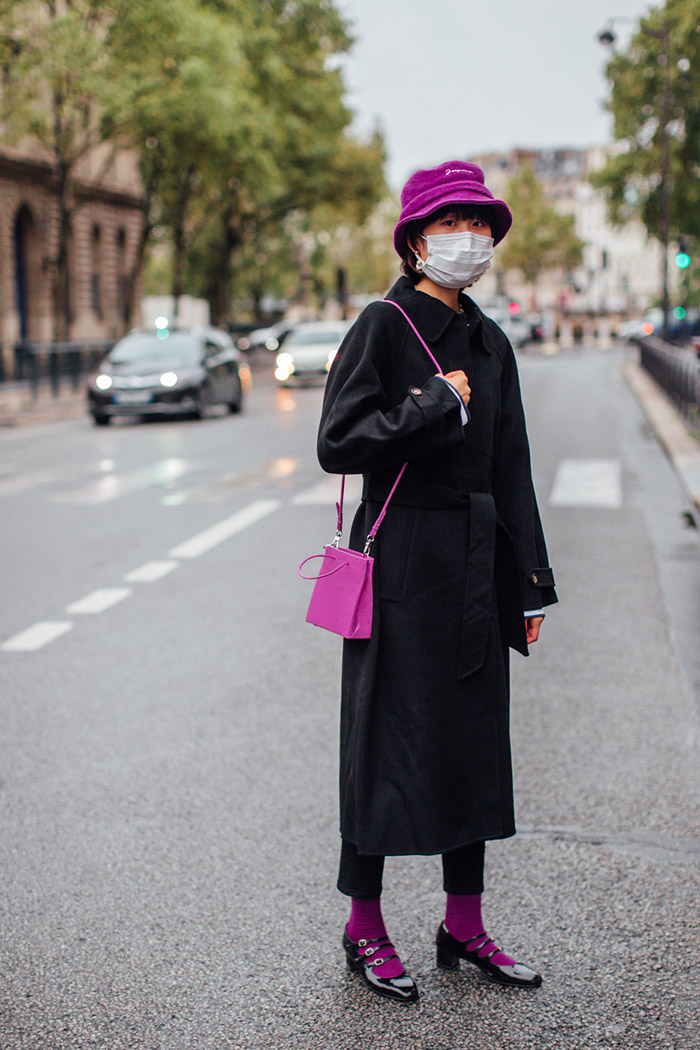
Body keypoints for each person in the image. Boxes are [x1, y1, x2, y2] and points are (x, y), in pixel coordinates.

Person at [316, 160, 557, 1003]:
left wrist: (528, 581)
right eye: (455, 224)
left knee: (472, 744)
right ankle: (365, 927)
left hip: (475, 559)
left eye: (484, 225)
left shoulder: (491, 340)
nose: (473, 239)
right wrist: (430, 407)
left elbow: (513, 464)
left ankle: (463, 923)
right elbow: (339, 442)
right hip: (399, 562)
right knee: (383, 741)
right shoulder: (383, 325)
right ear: (417, 239)